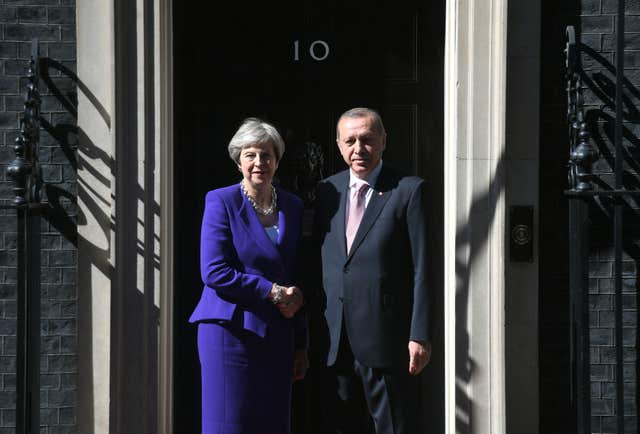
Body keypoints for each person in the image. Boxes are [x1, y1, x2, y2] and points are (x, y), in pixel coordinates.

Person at [313, 107, 432, 434]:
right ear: (338, 145)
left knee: (393, 427)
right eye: (350, 140)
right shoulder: (327, 191)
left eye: (367, 139)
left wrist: (418, 334)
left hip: (387, 338)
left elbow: (423, 267)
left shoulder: (408, 190)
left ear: (383, 141)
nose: (358, 149)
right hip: (335, 340)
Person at [189, 117, 308, 434]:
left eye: (266, 155)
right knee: (230, 424)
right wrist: (272, 291)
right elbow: (214, 271)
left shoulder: (293, 207)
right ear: (238, 160)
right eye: (250, 155)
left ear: (277, 159)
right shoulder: (222, 201)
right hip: (230, 331)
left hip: (277, 333)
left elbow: (295, 271)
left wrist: (301, 342)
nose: (259, 163)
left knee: (272, 423)